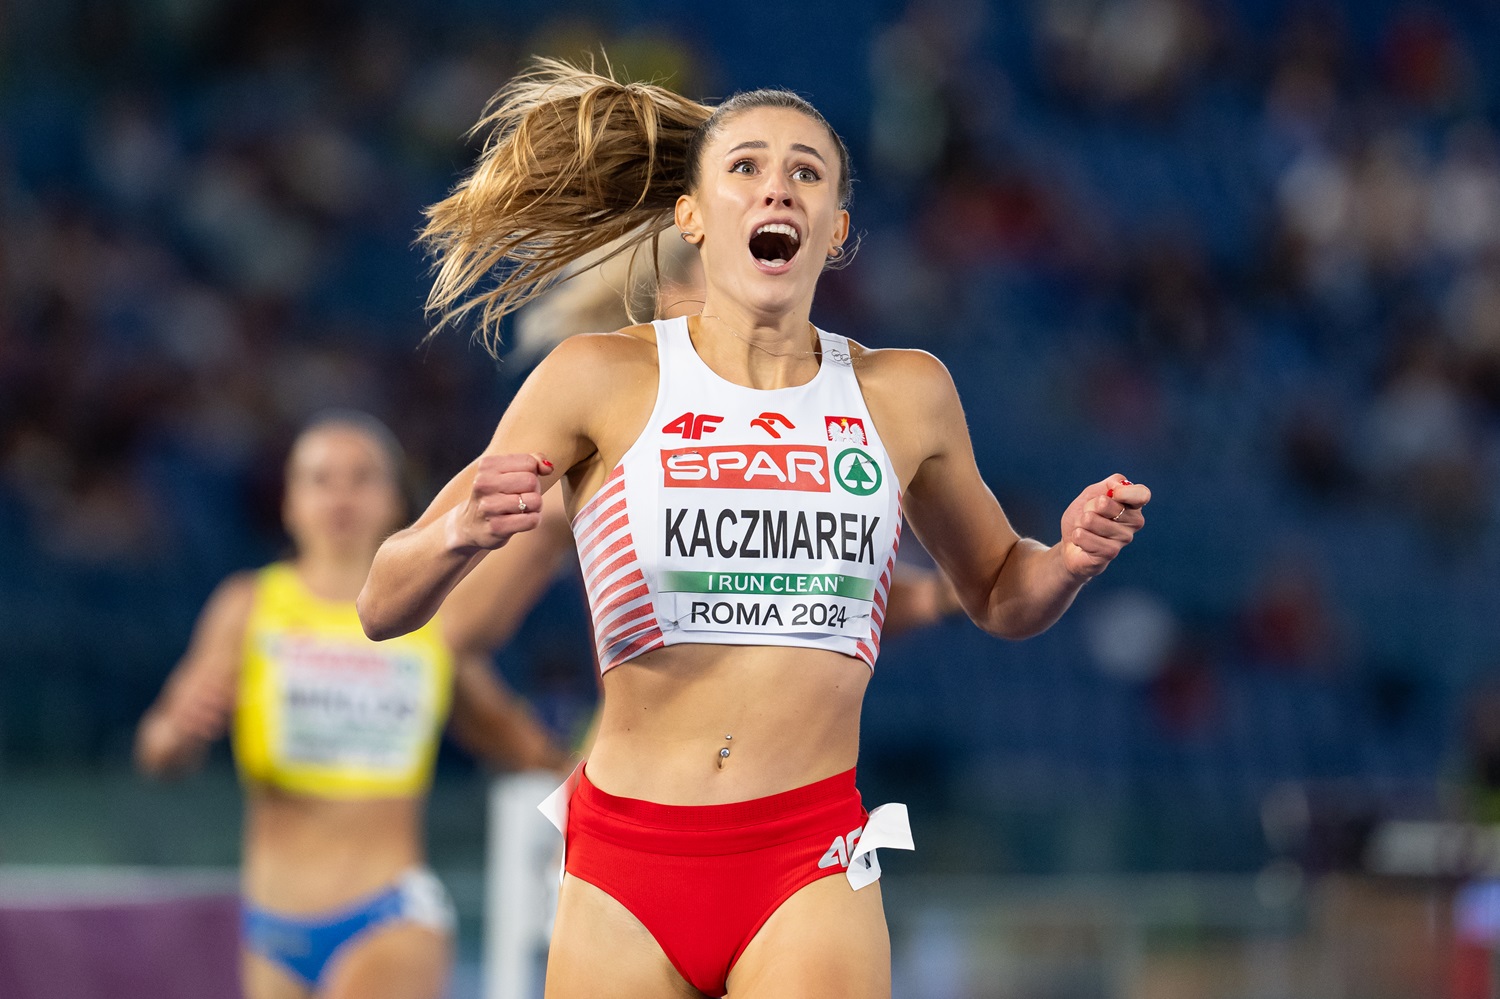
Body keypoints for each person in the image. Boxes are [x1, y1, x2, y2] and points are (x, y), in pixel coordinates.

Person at [358, 60, 1151, 999]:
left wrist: (1066, 560)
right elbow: (381, 603)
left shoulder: (906, 393)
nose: (778, 186)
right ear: (692, 216)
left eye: (807, 172)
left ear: (837, 229)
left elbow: (1003, 594)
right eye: (746, 167)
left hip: (805, 857)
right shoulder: (595, 377)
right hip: (624, 863)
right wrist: (459, 532)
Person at [135, 412, 569, 999]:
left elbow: (512, 740)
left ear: (397, 501)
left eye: (362, 478)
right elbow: (157, 750)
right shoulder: (248, 607)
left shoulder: (432, 620)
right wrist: (178, 734)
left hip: (389, 916)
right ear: (289, 503)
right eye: (320, 479)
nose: (341, 496)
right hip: (270, 928)